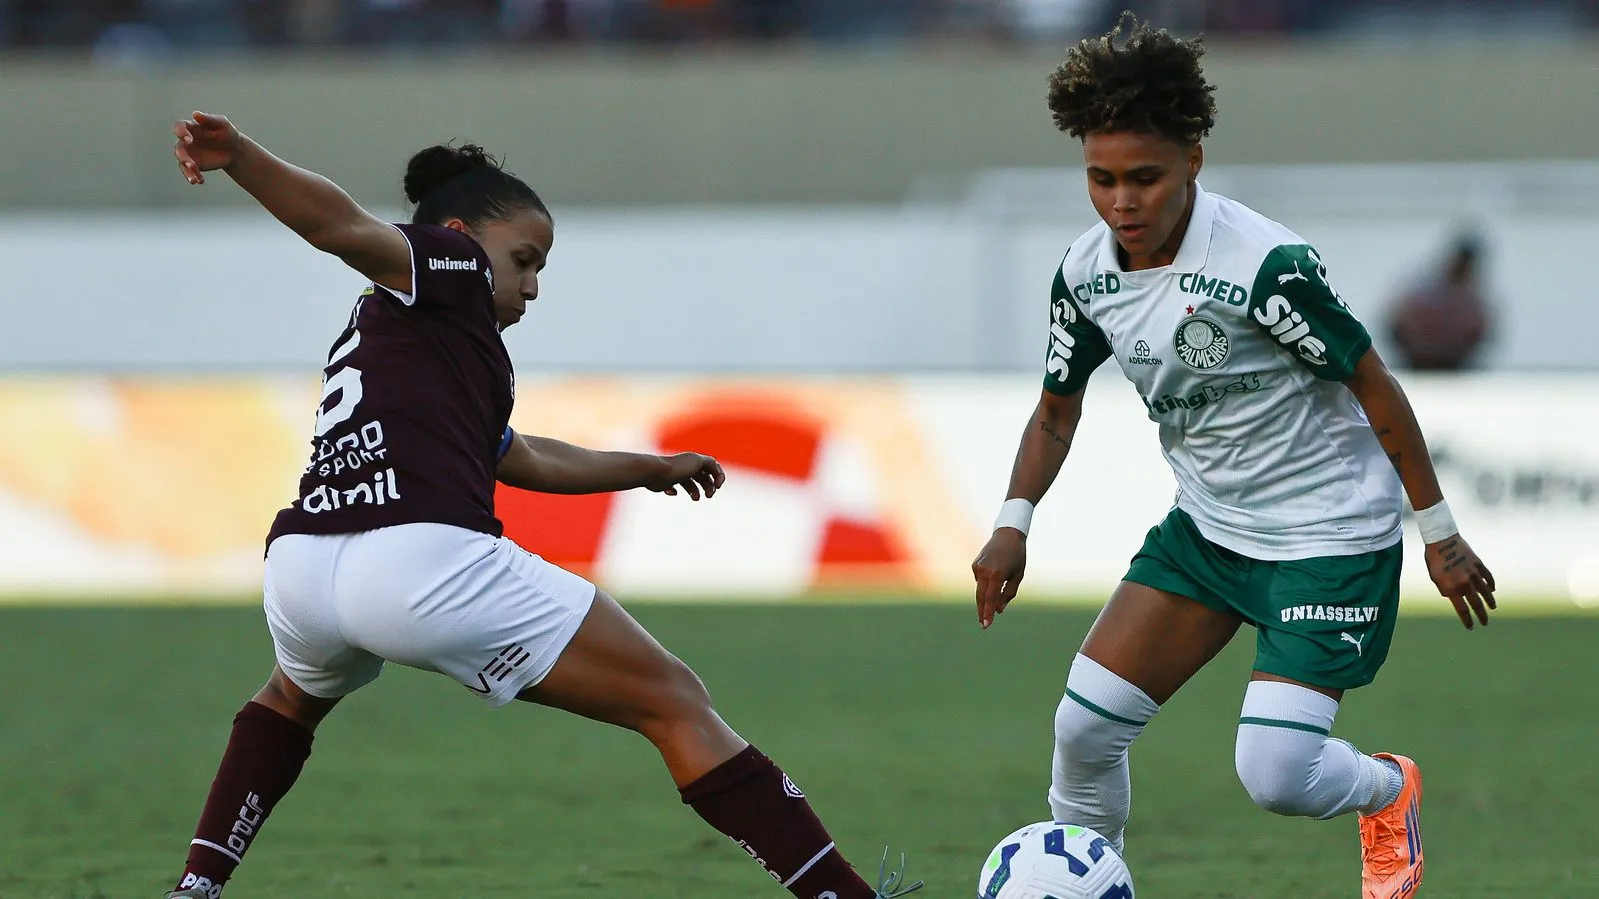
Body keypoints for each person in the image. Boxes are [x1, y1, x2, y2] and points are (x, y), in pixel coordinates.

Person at [163, 111, 921, 899]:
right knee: (672, 700)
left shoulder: (407, 330)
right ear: (457, 232)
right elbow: (339, 225)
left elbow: (515, 455)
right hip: (416, 561)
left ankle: (197, 885)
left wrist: (646, 467)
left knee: (290, 698)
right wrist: (241, 156)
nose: (530, 285)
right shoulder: (449, 262)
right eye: (524, 260)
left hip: (303, 569)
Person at [969, 16, 1495, 899]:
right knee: (1082, 732)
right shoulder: (1084, 275)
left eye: (1145, 178)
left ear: (1194, 161)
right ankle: (1089, 885)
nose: (1121, 202)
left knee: (1277, 774)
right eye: (1101, 179)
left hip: (1327, 537)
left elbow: (1375, 387)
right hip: (1209, 533)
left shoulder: (1262, 266)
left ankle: (1386, 789)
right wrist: (1010, 525)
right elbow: (1056, 411)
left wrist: (1438, 534)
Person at [1387, 232, 1492, 371]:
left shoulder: (1474, 295)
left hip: (1455, 366)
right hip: (1416, 362)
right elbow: (1396, 321)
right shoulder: (1420, 286)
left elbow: (1481, 330)